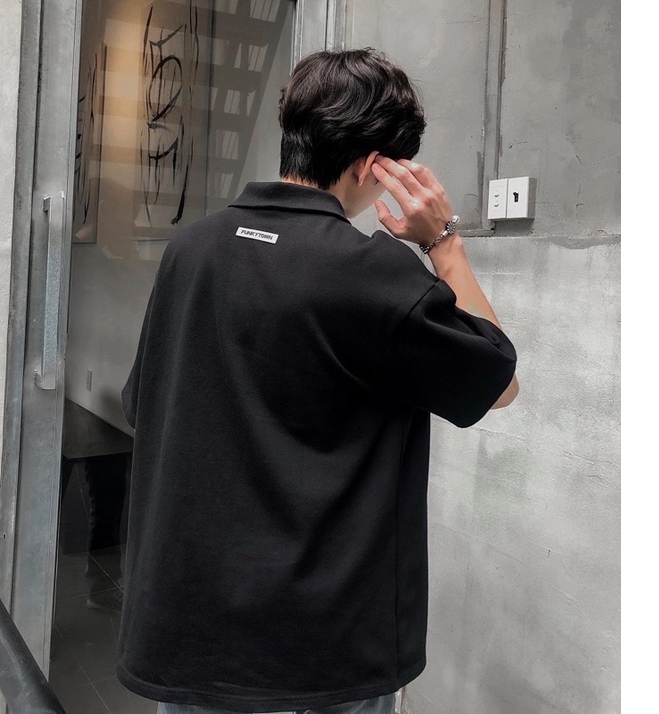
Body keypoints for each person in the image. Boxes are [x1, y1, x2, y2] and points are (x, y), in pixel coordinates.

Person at [116, 48, 519, 714]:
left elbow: (147, 406)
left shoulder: (190, 250)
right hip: (319, 652)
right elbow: (498, 382)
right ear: (372, 165)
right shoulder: (369, 273)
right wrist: (443, 242)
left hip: (190, 638)